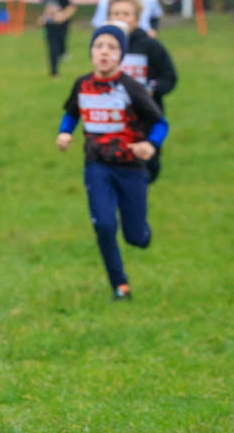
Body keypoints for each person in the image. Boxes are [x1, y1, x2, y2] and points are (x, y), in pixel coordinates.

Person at [56, 21, 169, 301]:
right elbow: (72, 113)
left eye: (112, 47)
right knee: (104, 225)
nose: (104, 52)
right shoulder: (82, 85)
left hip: (131, 168)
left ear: (122, 54)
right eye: (99, 46)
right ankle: (120, 285)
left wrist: (150, 145)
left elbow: (160, 123)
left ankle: (142, 232)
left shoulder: (130, 87)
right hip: (97, 166)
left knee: (134, 237)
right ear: (91, 51)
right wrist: (64, 133)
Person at [108, 0, 178, 183]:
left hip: (147, 114)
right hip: (116, 116)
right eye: (116, 13)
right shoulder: (106, 47)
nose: (121, 18)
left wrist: (152, 89)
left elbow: (169, 77)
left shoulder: (151, 46)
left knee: (149, 166)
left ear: (137, 18)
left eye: (126, 14)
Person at [38, 0, 77, 79]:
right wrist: (42, 18)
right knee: (52, 48)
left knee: (61, 43)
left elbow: (71, 8)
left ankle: (63, 51)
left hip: (62, 26)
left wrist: (62, 16)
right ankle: (54, 72)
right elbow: (47, 10)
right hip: (49, 26)